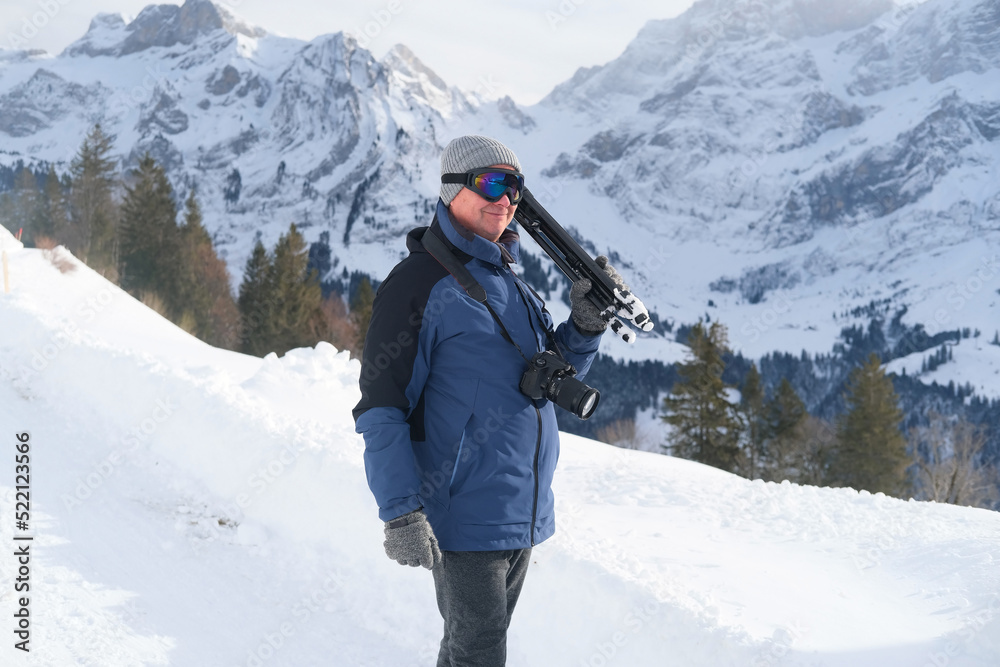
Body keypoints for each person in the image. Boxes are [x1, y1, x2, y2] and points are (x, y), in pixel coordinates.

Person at [353, 135, 625, 666]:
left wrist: (586, 327)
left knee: (469, 649)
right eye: (492, 183)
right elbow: (380, 409)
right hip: (461, 515)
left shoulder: (511, 284)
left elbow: (547, 373)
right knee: (479, 653)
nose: (505, 200)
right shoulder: (418, 284)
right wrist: (401, 513)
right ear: (453, 188)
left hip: (517, 511)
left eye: (515, 189)